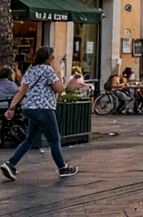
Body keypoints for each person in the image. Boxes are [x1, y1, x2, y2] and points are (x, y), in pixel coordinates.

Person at [1, 46, 86, 180]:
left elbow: (22, 90)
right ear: (49, 58)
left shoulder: (31, 69)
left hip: (30, 108)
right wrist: (57, 70)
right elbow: (59, 89)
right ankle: (63, 168)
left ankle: (10, 164)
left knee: (29, 139)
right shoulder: (48, 70)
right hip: (44, 109)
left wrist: (11, 107)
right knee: (54, 139)